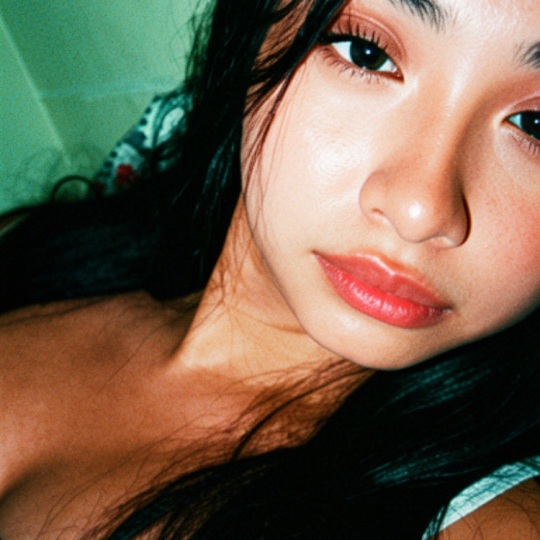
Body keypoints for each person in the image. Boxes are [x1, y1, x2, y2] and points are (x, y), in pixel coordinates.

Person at [0, 0, 539, 537]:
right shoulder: (45, 257)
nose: (420, 210)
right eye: (367, 53)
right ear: (254, 32)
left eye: (535, 125)